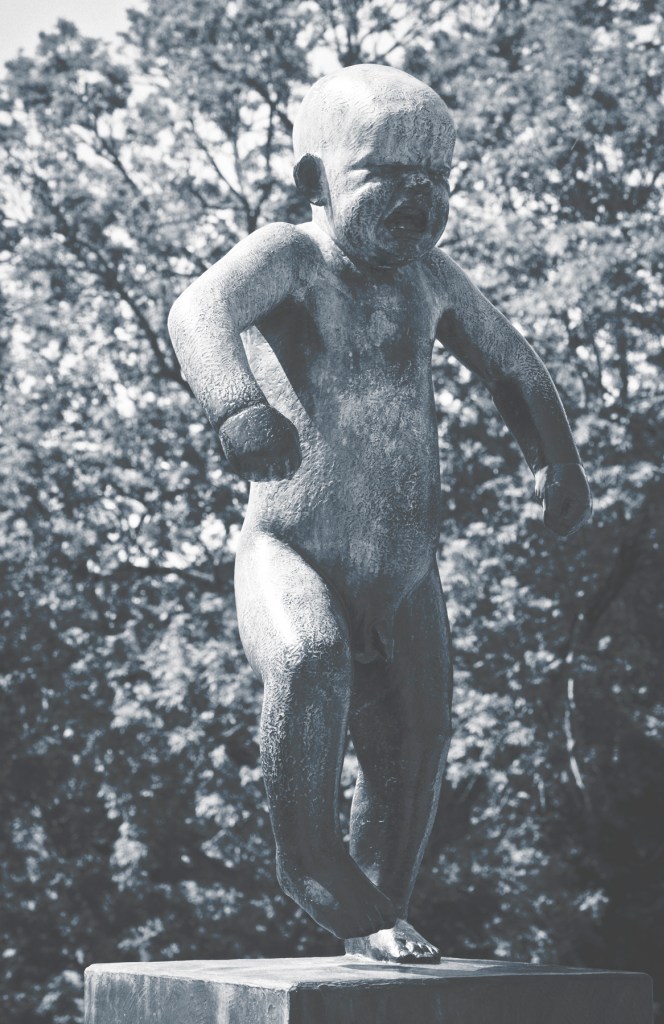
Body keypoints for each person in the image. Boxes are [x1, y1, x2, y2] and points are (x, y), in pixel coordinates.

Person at [168, 63, 592, 963]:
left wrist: (555, 460)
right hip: (291, 549)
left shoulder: (432, 279)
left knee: (417, 739)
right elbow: (198, 310)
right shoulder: (291, 257)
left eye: (437, 179)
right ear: (313, 180)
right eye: (388, 173)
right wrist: (236, 407)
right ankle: (310, 860)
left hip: (404, 574)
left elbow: (513, 367)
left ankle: (378, 911)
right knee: (308, 659)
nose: (419, 197)